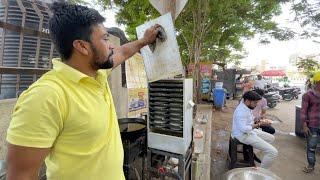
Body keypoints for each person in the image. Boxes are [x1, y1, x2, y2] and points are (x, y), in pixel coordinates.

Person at [5, 2, 160, 180]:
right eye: (105, 39)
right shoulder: (46, 96)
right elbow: (20, 176)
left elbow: (123, 52)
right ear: (82, 46)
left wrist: (144, 41)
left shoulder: (99, 72)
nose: (111, 46)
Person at [232, 91, 278, 169]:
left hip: (250, 131)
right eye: (255, 103)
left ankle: (252, 152)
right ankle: (261, 171)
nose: (256, 105)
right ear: (247, 101)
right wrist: (259, 124)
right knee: (273, 152)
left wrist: (259, 120)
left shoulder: (246, 106)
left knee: (271, 138)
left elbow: (250, 120)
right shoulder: (241, 111)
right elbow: (244, 129)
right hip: (243, 135)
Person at [300, 71, 320, 173]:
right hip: (313, 126)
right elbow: (303, 111)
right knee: (312, 148)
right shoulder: (307, 95)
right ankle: (311, 166)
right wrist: (304, 125)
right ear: (316, 82)